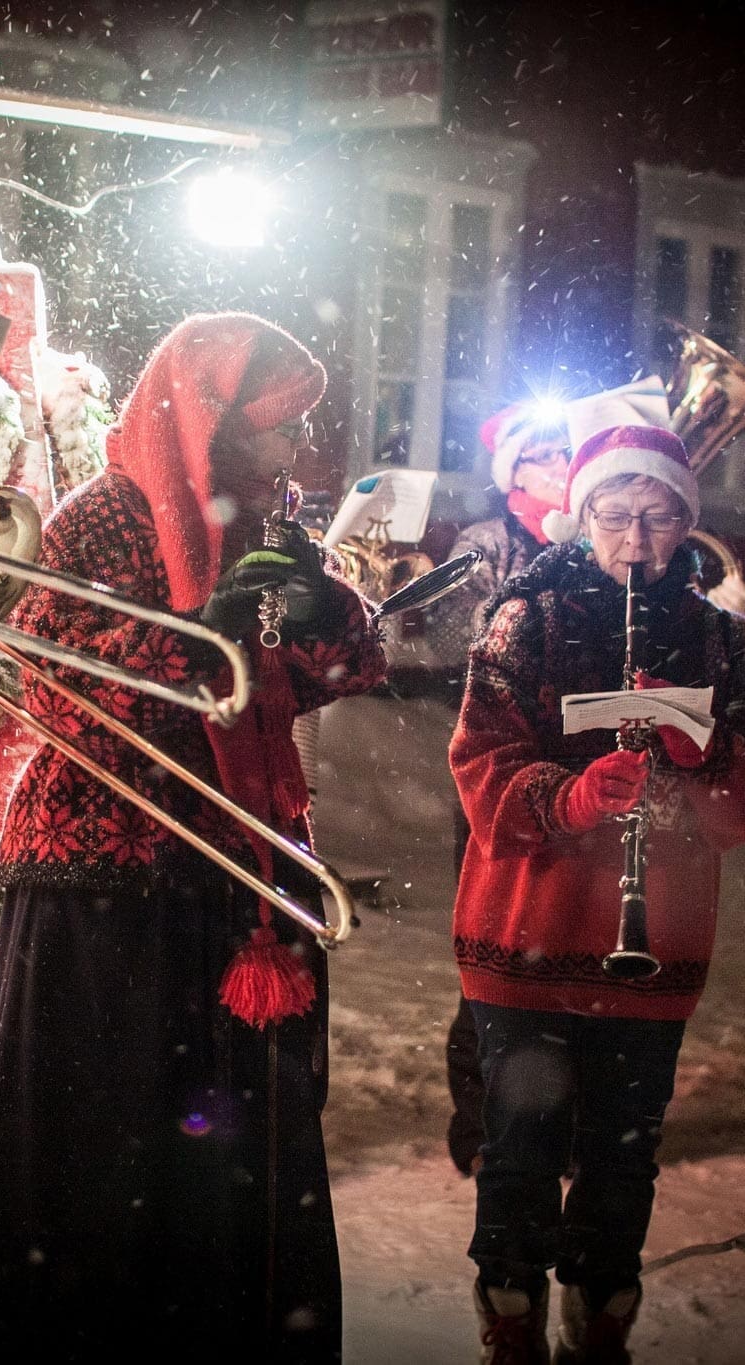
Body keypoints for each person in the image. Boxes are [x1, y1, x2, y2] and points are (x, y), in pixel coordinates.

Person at [0, 311, 388, 1363]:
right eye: (279, 427)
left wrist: (329, 613)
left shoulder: (267, 523)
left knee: (236, 1161)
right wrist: (196, 637)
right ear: (210, 421)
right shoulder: (95, 522)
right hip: (107, 886)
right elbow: (59, 680)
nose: (295, 453)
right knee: (101, 1154)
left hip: (240, 879)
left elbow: (337, 676)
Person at [448, 423, 745, 1363]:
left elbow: (739, 807)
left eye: (657, 518)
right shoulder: (523, 616)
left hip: (653, 939)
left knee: (623, 1151)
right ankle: (510, 1309)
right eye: (613, 517)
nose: (635, 539)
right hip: (525, 926)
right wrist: (567, 796)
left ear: (683, 526)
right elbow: (480, 763)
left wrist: (708, 761)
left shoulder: (719, 639)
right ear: (580, 521)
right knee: (522, 1140)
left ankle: (602, 1306)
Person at [421, 399, 571, 1178]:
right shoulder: (487, 544)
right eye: (545, 456)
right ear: (514, 471)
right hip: (494, 773)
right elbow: (454, 638)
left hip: (578, 780)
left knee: (573, 952)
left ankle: (565, 1127)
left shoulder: (593, 537)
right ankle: (480, 1127)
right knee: (494, 944)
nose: (561, 466)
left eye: (566, 453)